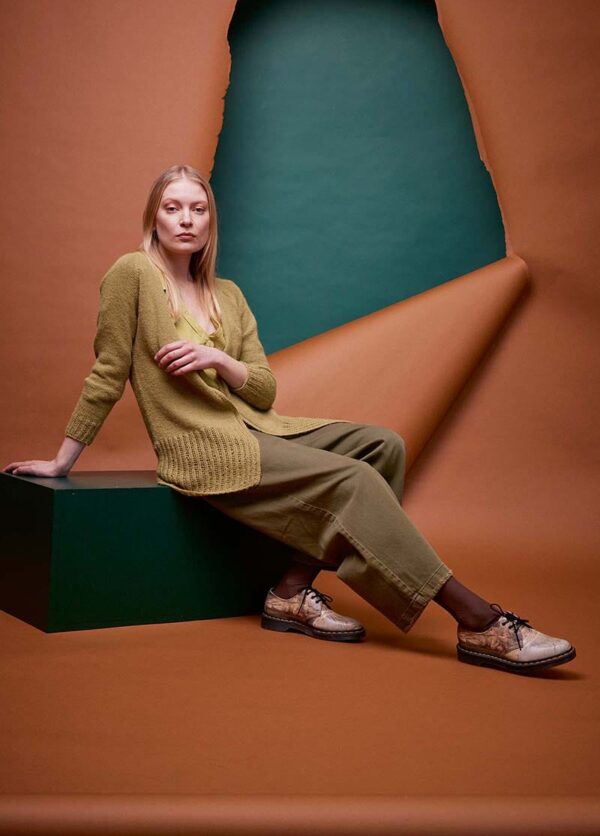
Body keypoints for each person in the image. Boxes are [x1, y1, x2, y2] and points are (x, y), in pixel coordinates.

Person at [3, 164, 575, 675]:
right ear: (154, 217)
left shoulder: (227, 294)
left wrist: (218, 359)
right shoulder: (131, 274)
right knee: (353, 481)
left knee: (384, 446)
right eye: (173, 208)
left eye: (198, 209)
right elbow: (107, 372)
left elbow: (264, 388)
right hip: (203, 448)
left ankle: (291, 591)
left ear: (210, 221)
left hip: (257, 428)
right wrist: (62, 460)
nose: (186, 219)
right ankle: (478, 621)